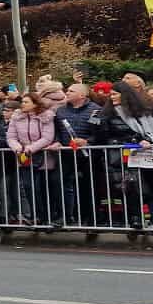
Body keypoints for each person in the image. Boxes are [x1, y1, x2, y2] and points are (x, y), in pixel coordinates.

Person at [100, 81, 153, 228]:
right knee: (130, 187)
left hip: (145, 155)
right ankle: (135, 219)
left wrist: (147, 140)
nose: (111, 96)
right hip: (122, 157)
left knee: (150, 187)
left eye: (115, 93)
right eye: (111, 93)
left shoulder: (142, 112)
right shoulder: (107, 113)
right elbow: (105, 135)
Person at [7, 92, 59, 225]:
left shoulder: (46, 116)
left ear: (35, 104)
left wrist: (31, 148)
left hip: (43, 155)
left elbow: (48, 137)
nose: (22, 104)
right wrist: (18, 147)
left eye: (26, 102)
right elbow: (11, 136)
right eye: (22, 102)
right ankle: (35, 215)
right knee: (28, 186)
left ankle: (47, 217)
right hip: (24, 155)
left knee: (42, 187)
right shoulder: (17, 117)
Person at [55, 83, 105, 225]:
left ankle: (91, 218)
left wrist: (87, 141)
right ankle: (66, 216)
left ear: (82, 95)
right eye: (68, 90)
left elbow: (99, 133)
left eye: (71, 91)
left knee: (88, 186)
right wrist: (57, 141)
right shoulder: (61, 111)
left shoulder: (95, 111)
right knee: (61, 184)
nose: (67, 92)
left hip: (88, 155)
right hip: (66, 154)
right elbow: (57, 131)